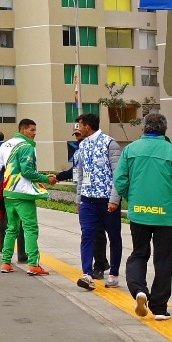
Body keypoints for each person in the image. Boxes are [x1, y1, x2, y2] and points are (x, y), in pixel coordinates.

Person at [111, 112, 172, 320]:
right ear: (165, 130)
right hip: (166, 216)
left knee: (139, 253)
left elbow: (119, 180)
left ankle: (139, 289)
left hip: (139, 214)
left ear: (143, 128)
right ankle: (159, 307)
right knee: (164, 259)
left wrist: (132, 198)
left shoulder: (130, 150)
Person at [54, 112, 123, 291]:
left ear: (87, 126)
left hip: (108, 201)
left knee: (114, 237)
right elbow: (81, 175)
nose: (78, 128)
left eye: (80, 125)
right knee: (87, 235)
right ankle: (87, 274)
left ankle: (114, 273)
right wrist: (78, 199)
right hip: (88, 200)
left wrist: (115, 199)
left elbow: (118, 175)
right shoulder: (82, 146)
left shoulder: (110, 144)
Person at [0, 119, 56, 276]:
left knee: (12, 228)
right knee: (30, 228)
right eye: (32, 130)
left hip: (8, 192)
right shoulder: (27, 146)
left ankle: (6, 262)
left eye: (35, 130)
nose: (34, 133)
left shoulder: (6, 144)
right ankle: (33, 264)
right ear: (23, 130)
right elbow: (27, 172)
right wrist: (45, 179)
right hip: (23, 193)